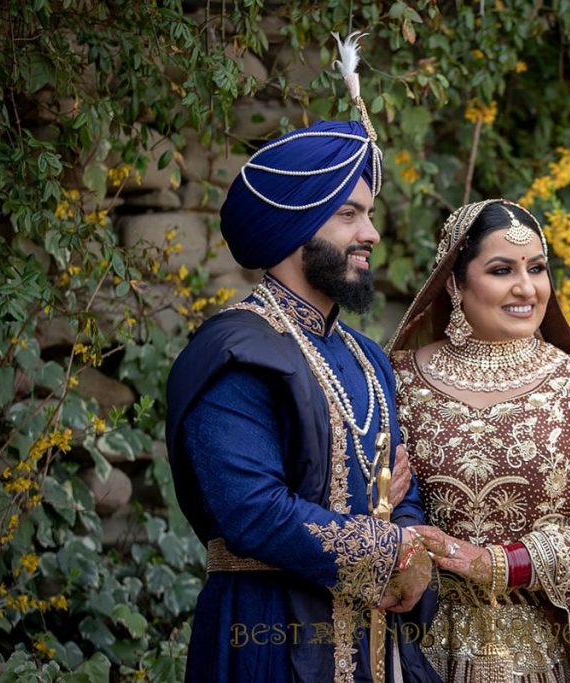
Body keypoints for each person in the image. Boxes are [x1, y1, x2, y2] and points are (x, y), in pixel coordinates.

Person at [164, 34, 440, 683]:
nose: (371, 233)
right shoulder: (236, 350)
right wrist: (388, 545)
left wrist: (413, 553)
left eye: (369, 214)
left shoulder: (369, 359)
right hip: (266, 633)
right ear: (296, 226)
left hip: (377, 642)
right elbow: (254, 509)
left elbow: (404, 488)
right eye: (349, 214)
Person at [387, 200, 570, 682]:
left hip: (547, 650)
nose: (526, 288)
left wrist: (499, 563)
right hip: (414, 642)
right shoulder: (396, 378)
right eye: (502, 269)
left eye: (538, 269)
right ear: (454, 281)